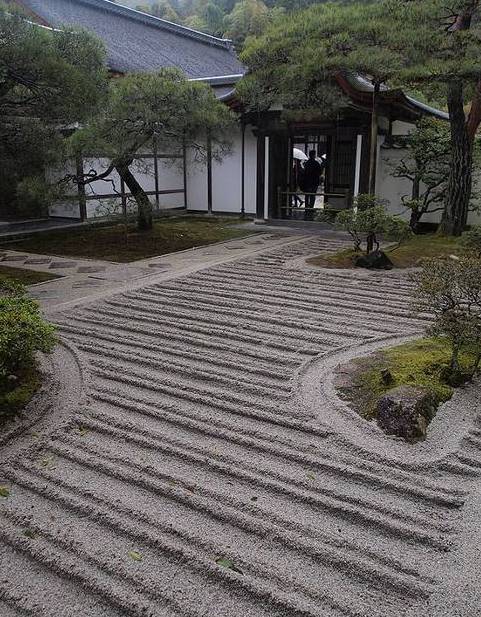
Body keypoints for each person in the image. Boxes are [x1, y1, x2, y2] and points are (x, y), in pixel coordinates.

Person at [303, 150, 323, 221]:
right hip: (314, 182)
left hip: (307, 182)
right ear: (314, 155)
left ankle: (306, 208)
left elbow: (304, 172)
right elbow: (320, 172)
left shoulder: (306, 163)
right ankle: (311, 208)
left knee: (307, 195)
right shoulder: (316, 163)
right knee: (312, 195)